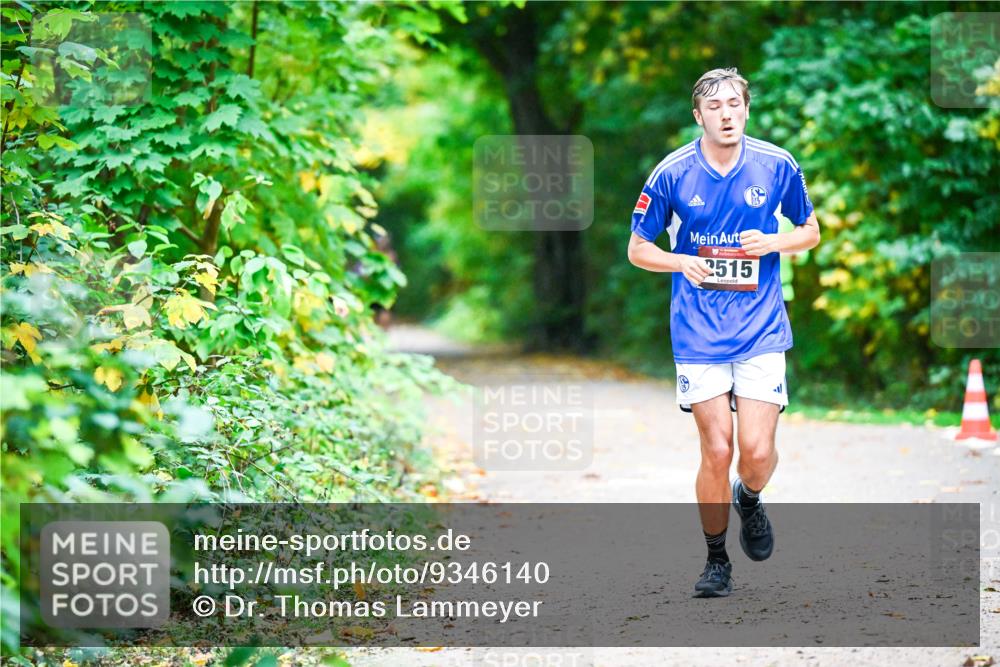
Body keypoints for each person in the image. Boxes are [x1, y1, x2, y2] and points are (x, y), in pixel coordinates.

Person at [626, 68, 821, 597]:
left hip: (760, 327)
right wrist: (678, 261)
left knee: (755, 453)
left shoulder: (776, 165)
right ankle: (717, 561)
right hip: (697, 332)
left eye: (734, 104)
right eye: (714, 107)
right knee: (716, 449)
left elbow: (811, 231)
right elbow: (638, 248)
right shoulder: (671, 173)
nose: (726, 114)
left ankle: (750, 499)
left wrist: (774, 243)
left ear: (747, 109)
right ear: (698, 116)